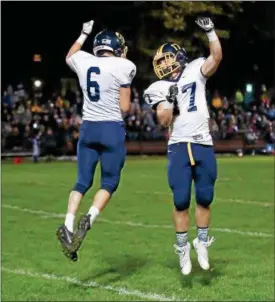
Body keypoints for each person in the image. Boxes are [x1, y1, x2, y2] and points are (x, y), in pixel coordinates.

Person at [143, 17, 222, 275]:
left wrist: (210, 32)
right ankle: (182, 248)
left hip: (202, 143)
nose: (167, 65)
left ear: (180, 57)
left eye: (170, 59)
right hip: (178, 145)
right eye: (163, 62)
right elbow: (164, 120)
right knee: (180, 201)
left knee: (205, 198)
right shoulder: (159, 87)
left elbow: (216, 57)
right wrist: (170, 99)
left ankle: (201, 243)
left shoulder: (195, 69)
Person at [56, 20, 136, 262]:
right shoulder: (124, 65)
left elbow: (70, 55)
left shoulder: (84, 60)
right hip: (111, 128)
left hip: (88, 128)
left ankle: (68, 225)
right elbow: (125, 107)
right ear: (116, 48)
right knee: (109, 182)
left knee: (82, 181)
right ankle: (89, 218)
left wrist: (83, 33)